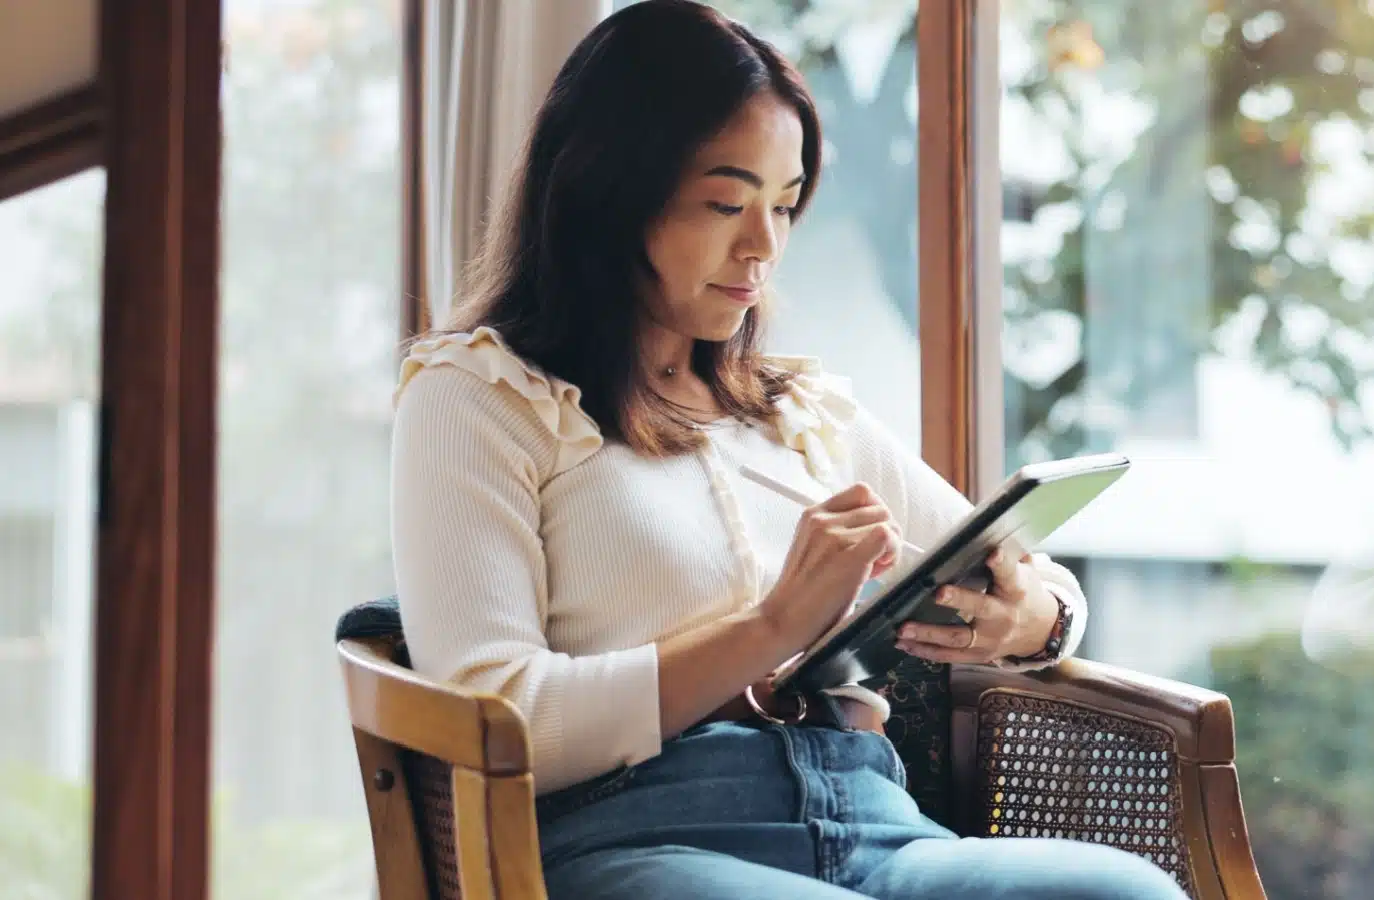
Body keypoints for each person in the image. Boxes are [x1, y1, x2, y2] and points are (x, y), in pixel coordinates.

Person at [391, 2, 1186, 897]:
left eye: (784, 203)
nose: (764, 246)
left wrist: (1031, 619)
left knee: (1130, 892)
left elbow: (1021, 566)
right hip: (638, 841)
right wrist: (771, 630)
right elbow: (494, 717)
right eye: (726, 202)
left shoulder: (800, 411)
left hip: (877, 824)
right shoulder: (482, 397)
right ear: (606, 193)